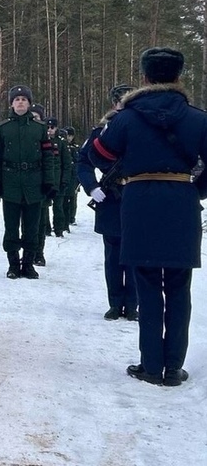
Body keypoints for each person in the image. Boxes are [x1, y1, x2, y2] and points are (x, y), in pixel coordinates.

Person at [89, 47, 207, 387]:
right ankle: (174, 367)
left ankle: (151, 365)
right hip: (182, 204)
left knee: (148, 285)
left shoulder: (125, 118)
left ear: (144, 78)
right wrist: (193, 190)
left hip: (139, 202)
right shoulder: (198, 118)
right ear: (178, 77)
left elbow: (99, 155)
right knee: (179, 287)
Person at [77, 84, 137, 322]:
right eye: (120, 101)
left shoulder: (145, 129)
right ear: (114, 104)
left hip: (136, 194)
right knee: (113, 255)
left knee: (135, 253)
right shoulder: (102, 130)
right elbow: (83, 162)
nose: (123, 105)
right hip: (111, 197)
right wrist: (92, 187)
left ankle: (132, 304)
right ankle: (115, 303)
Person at [0, 85, 54, 279]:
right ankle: (13, 264)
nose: (20, 102)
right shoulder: (3, 128)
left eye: (24, 99)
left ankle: (28, 264)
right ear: (11, 103)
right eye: (16, 99)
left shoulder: (40, 128)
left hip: (34, 183)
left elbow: (48, 157)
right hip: (10, 183)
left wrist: (49, 181)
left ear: (29, 103)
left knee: (32, 227)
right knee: (11, 227)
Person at [63, 127, 80, 228]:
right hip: (66, 176)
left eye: (70, 135)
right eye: (67, 135)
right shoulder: (63, 146)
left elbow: (78, 162)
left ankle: (71, 217)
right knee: (64, 198)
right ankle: (66, 217)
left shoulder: (75, 148)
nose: (69, 138)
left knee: (73, 197)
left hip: (74, 176)